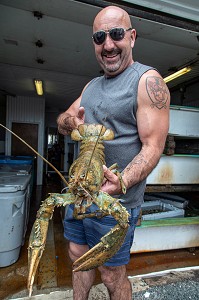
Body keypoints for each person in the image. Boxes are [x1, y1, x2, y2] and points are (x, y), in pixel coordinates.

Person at [57, 5, 170, 300]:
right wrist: (72, 123)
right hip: (80, 193)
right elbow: (62, 122)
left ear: (132, 37)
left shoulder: (147, 81)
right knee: (77, 256)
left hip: (114, 201)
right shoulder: (92, 86)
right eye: (99, 38)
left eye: (116, 34)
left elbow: (153, 147)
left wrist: (122, 181)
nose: (108, 44)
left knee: (110, 273)